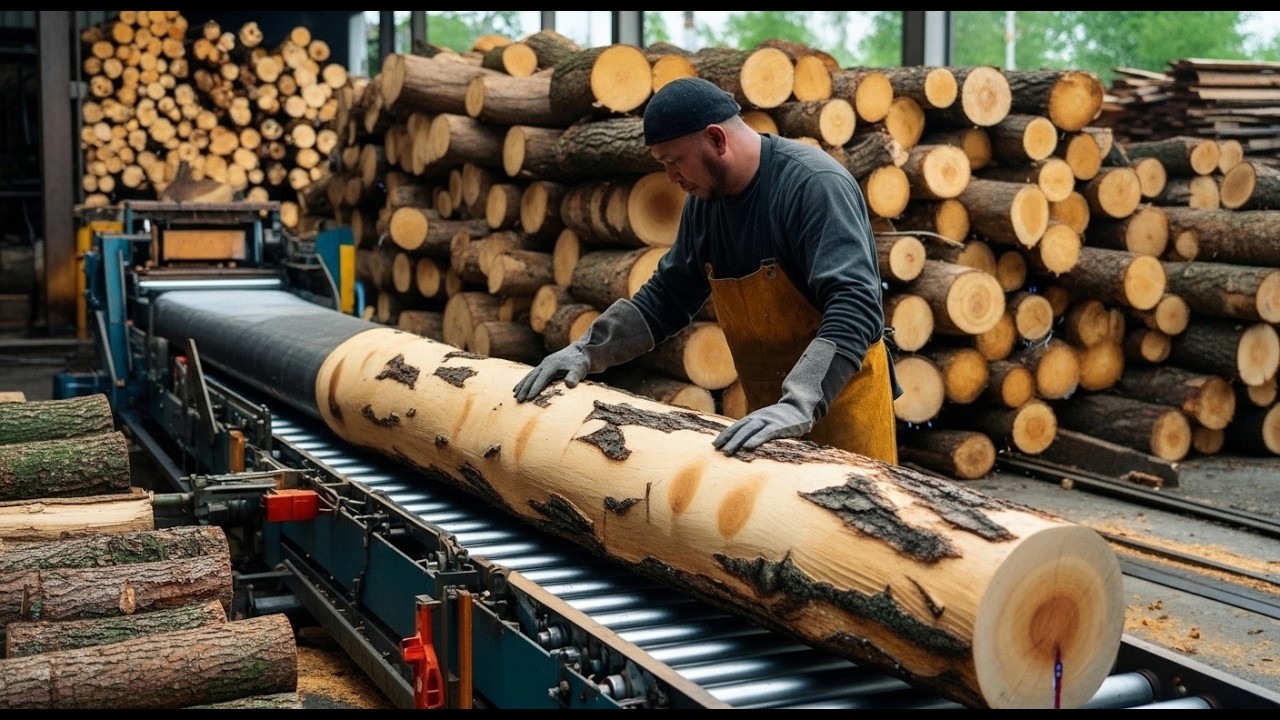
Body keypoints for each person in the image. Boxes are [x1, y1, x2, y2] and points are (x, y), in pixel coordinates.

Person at [513, 76, 901, 464]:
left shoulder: (813, 186)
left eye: (675, 161)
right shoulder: (705, 205)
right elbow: (668, 297)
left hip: (843, 412)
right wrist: (586, 351)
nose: (671, 177)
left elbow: (856, 306)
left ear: (717, 139)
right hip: (768, 418)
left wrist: (799, 403)